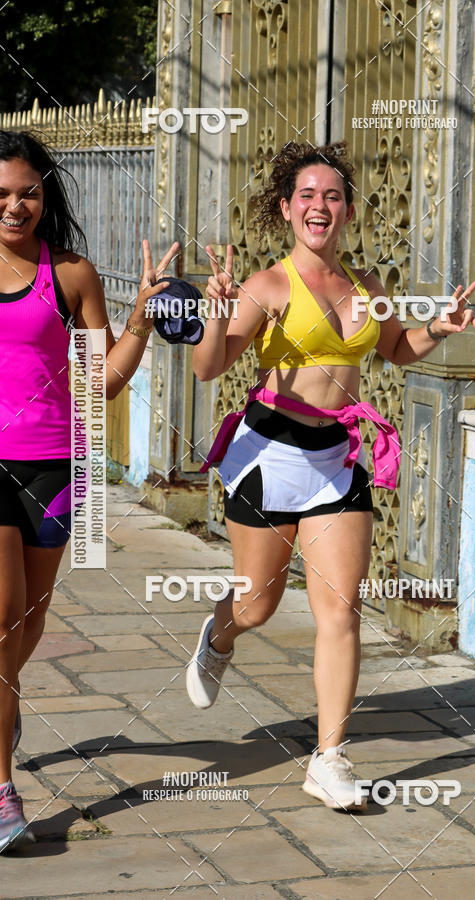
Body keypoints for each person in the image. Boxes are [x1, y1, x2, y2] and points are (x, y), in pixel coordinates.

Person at [187, 140, 475, 810]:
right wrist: (214, 311)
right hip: (267, 456)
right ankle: (219, 634)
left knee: (340, 611)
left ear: (346, 210)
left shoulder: (368, 289)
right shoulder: (266, 287)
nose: (321, 207)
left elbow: (398, 350)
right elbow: (208, 368)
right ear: (287, 208)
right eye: (308, 196)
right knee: (256, 603)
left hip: (337, 460)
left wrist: (441, 328)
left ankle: (329, 758)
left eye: (334, 196)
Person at [0, 129, 178, 851]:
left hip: (53, 466)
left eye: (28, 191)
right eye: (3, 193)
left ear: (46, 194)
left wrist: (137, 321)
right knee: (2, 616)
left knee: (22, 634)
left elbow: (100, 380)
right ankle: (2, 791)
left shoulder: (70, 273)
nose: (16, 205)